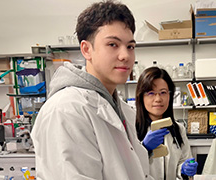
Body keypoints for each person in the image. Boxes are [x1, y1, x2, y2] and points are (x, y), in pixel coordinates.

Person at [31, 1, 153, 179]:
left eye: (130, 46)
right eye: (113, 44)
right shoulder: (66, 110)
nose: (125, 55)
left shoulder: (120, 109)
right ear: (86, 49)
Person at [135, 67, 198, 180]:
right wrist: (144, 148)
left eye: (163, 92)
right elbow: (126, 168)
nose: (158, 99)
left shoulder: (178, 129)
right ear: (141, 97)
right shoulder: (131, 128)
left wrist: (184, 169)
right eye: (151, 93)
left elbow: (183, 161)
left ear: (170, 95)